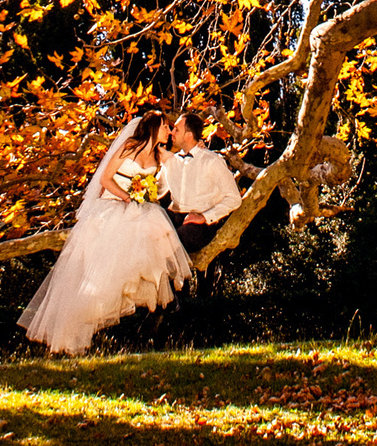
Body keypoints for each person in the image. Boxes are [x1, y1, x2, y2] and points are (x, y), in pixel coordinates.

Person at [17, 109, 192, 354]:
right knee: (100, 272)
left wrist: (148, 194)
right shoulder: (129, 147)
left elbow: (175, 174)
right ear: (155, 127)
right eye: (166, 126)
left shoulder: (159, 155)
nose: (169, 131)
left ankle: (137, 296)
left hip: (138, 209)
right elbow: (106, 179)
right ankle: (73, 328)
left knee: (149, 244)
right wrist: (127, 197)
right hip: (112, 205)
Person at [161, 108, 242, 257]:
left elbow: (234, 198)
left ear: (189, 136)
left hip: (201, 225)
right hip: (175, 217)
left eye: (177, 130)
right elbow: (157, 189)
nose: (172, 132)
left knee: (174, 241)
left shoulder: (212, 162)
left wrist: (204, 217)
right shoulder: (171, 162)